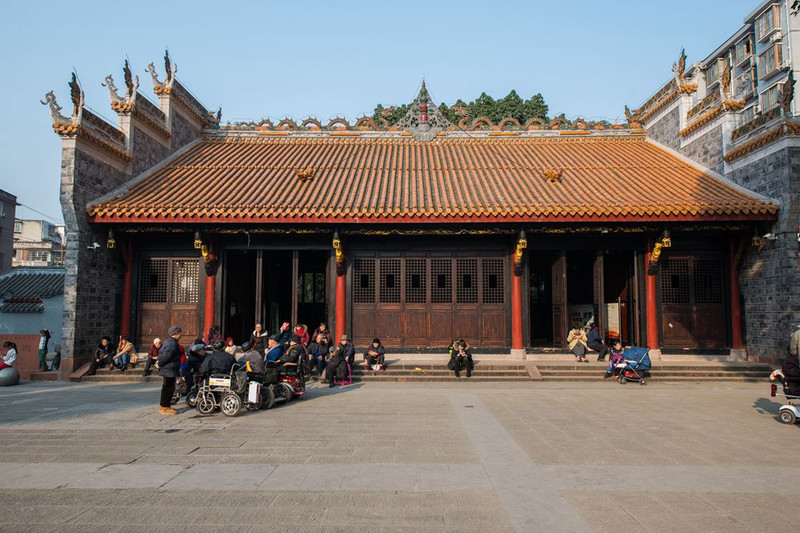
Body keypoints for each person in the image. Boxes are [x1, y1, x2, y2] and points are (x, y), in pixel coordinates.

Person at [157, 326, 184, 415]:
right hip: (169, 369)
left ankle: (165, 405)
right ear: (175, 334)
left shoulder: (168, 342)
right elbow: (166, 356)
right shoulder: (172, 344)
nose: (181, 335)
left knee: (167, 387)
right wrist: (160, 363)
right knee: (168, 388)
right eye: (180, 333)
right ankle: (164, 407)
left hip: (169, 369)